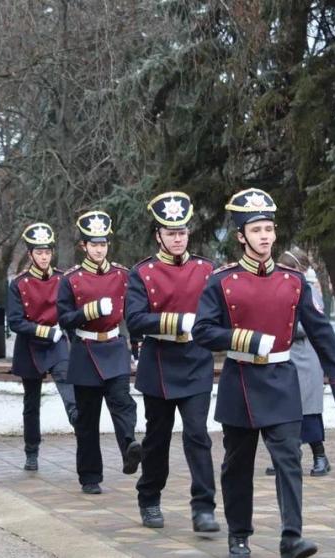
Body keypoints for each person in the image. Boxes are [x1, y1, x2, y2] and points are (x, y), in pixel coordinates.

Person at [192, 188, 335, 558]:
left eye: (268, 228)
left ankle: (291, 536)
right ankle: (239, 536)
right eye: (256, 230)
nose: (264, 236)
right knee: (238, 466)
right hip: (241, 381)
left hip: (282, 381)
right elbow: (202, 332)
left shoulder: (295, 281)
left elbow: (321, 332)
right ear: (241, 236)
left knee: (288, 461)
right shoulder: (221, 281)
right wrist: (244, 339)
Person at [127, 192, 219, 532]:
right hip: (159, 363)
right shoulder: (142, 273)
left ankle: (204, 507)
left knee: (198, 435)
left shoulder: (207, 270)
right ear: (158, 235)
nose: (177, 238)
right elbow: (134, 320)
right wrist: (175, 321)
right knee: (157, 438)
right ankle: (149, 497)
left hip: (195, 360)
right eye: (170, 232)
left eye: (182, 231)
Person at [57, 210, 142, 495]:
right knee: (87, 418)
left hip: (115, 346)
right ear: (84, 246)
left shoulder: (122, 275)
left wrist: (137, 341)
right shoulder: (71, 279)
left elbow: (133, 311)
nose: (98, 249)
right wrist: (89, 312)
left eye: (103, 244)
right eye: (93, 244)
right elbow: (64, 319)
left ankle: (130, 446)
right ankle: (90, 476)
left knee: (122, 402)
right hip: (85, 350)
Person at [6, 222, 78, 471]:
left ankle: (83, 438)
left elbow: (70, 311)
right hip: (30, 346)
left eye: (47, 252)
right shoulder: (19, 284)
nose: (44, 257)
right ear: (30, 255)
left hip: (58, 345)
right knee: (31, 403)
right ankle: (31, 451)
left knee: (71, 395)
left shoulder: (62, 279)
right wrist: (46, 331)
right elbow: (15, 322)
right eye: (39, 252)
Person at [266, 247, 332, 477]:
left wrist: (281, 326)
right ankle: (283, 458)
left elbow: (311, 325)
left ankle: (320, 456)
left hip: (306, 358)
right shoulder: (276, 289)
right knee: (283, 411)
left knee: (309, 411)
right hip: (283, 356)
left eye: (287, 269)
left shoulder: (309, 292)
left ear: (298, 270)